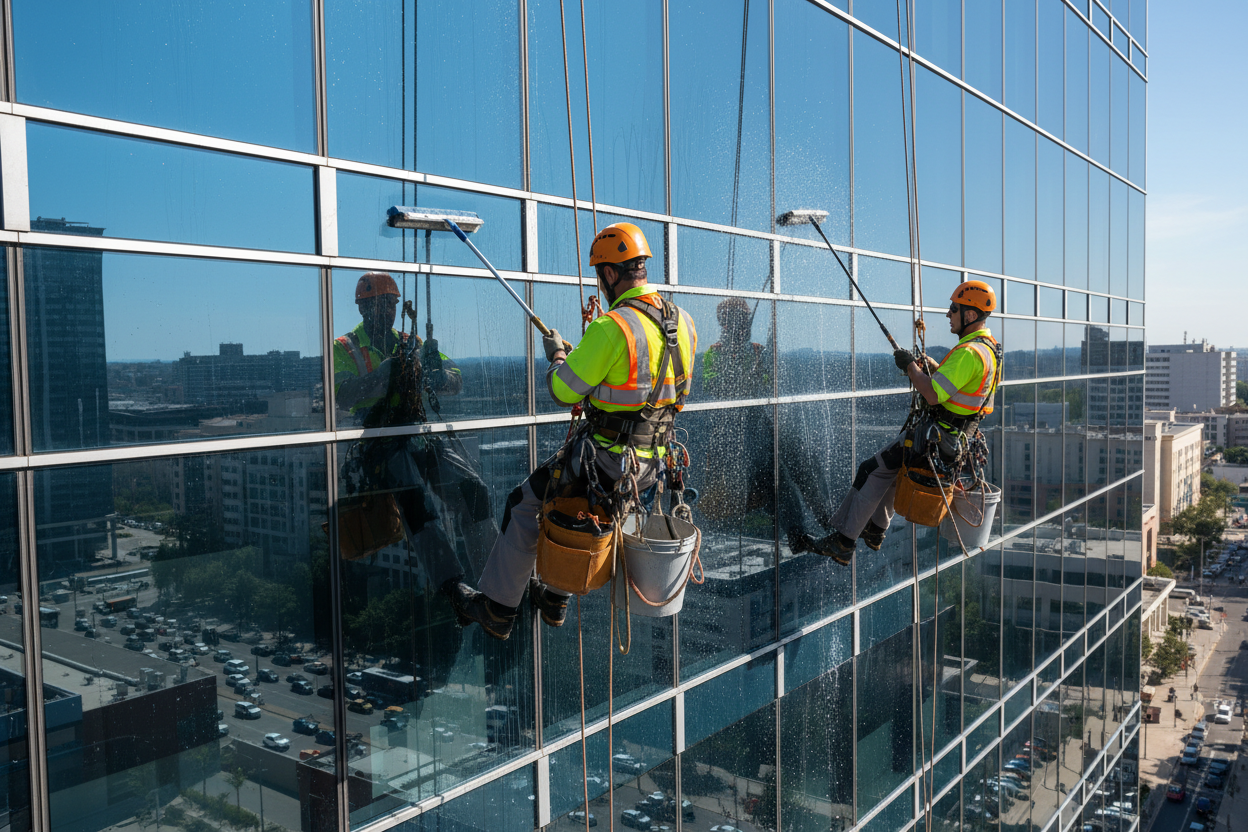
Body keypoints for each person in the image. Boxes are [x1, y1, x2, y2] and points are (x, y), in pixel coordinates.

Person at [448, 222, 697, 639]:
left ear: (611, 274)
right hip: (653, 461)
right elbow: (660, 388)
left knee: (526, 505)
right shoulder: (683, 322)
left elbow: (562, 390)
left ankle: (497, 608)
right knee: (581, 515)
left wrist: (559, 354)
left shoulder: (614, 325)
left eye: (601, 277)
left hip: (607, 457)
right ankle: (555, 595)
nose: (601, 286)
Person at [803, 280, 1002, 565]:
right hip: (954, 439)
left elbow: (933, 394)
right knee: (894, 472)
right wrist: (933, 369)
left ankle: (844, 541)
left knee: (871, 469)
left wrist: (910, 366)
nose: (949, 314)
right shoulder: (990, 350)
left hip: (935, 437)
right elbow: (969, 391)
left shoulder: (969, 353)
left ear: (970, 315)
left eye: (954, 309)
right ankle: (875, 530)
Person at [334, 272, 491, 588]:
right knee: (420, 507)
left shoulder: (412, 343)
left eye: (391, 304)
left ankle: (496, 574)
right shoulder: (346, 347)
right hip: (380, 440)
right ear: (363, 309)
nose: (388, 311)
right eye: (380, 305)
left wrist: (435, 373)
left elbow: (455, 381)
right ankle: (452, 585)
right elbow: (343, 394)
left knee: (475, 492)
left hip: (417, 431)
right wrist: (383, 374)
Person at [699, 298, 836, 551]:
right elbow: (714, 388)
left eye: (744, 322)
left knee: (802, 457)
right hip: (734, 426)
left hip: (759, 419)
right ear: (725, 325)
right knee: (778, 477)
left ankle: (827, 517)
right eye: (735, 322)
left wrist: (763, 368)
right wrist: (741, 377)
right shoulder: (714, 353)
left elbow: (768, 384)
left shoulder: (756, 351)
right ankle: (798, 534)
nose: (741, 328)